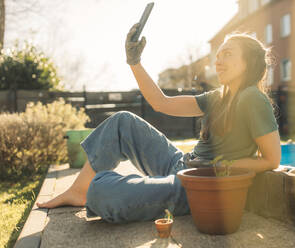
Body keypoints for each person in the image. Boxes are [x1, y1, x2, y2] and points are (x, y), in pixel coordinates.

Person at [37, 23, 281, 223]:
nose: (218, 61)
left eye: (227, 54)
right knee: (122, 121)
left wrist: (224, 166)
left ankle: (98, 190)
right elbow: (161, 102)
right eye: (217, 55)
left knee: (102, 192)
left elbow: (272, 159)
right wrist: (135, 62)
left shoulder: (252, 98)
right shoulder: (218, 97)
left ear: (248, 61)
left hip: (198, 185)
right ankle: (79, 190)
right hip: (181, 162)